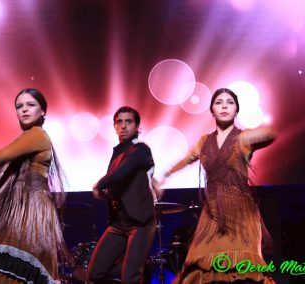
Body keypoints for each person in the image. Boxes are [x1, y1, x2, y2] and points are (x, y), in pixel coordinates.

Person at [156, 88, 277, 283]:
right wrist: (163, 177)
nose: (224, 106)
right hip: (212, 212)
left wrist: (250, 137)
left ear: (236, 109)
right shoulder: (205, 141)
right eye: (219, 102)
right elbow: (187, 159)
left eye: (230, 102)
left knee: (243, 268)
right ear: (212, 110)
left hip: (241, 211)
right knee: (200, 264)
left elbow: (271, 134)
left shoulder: (243, 137)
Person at [0, 88, 69, 284]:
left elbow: (4, 154)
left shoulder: (38, 134)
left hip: (30, 208)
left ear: (43, 111)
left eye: (30, 105)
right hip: (22, 206)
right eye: (19, 106)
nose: (24, 110)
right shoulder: (29, 136)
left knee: (14, 256)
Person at [87, 106, 157, 284]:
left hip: (140, 223)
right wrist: (107, 195)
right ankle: (142, 266)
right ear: (114, 126)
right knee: (94, 274)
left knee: (130, 278)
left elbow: (121, 173)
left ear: (137, 126)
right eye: (119, 122)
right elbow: (119, 183)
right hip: (119, 224)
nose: (123, 126)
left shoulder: (141, 149)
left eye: (129, 122)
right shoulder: (118, 151)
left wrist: (99, 185)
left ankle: (139, 268)